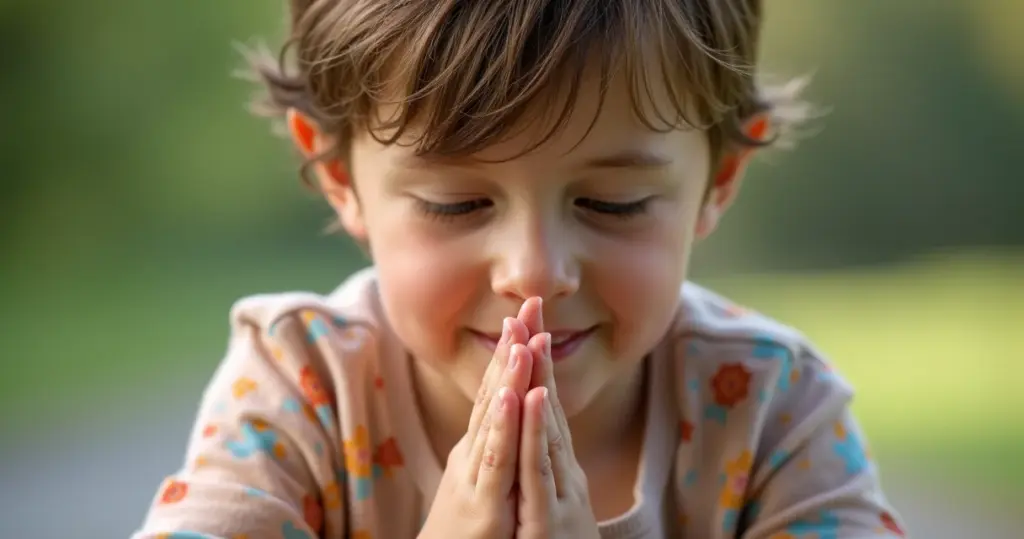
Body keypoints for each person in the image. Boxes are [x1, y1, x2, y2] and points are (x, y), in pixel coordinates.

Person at [133, 0, 909, 537]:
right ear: (339, 175)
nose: (534, 273)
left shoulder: (771, 406)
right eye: (455, 202)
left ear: (720, 178)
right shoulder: (305, 389)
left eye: (616, 202)